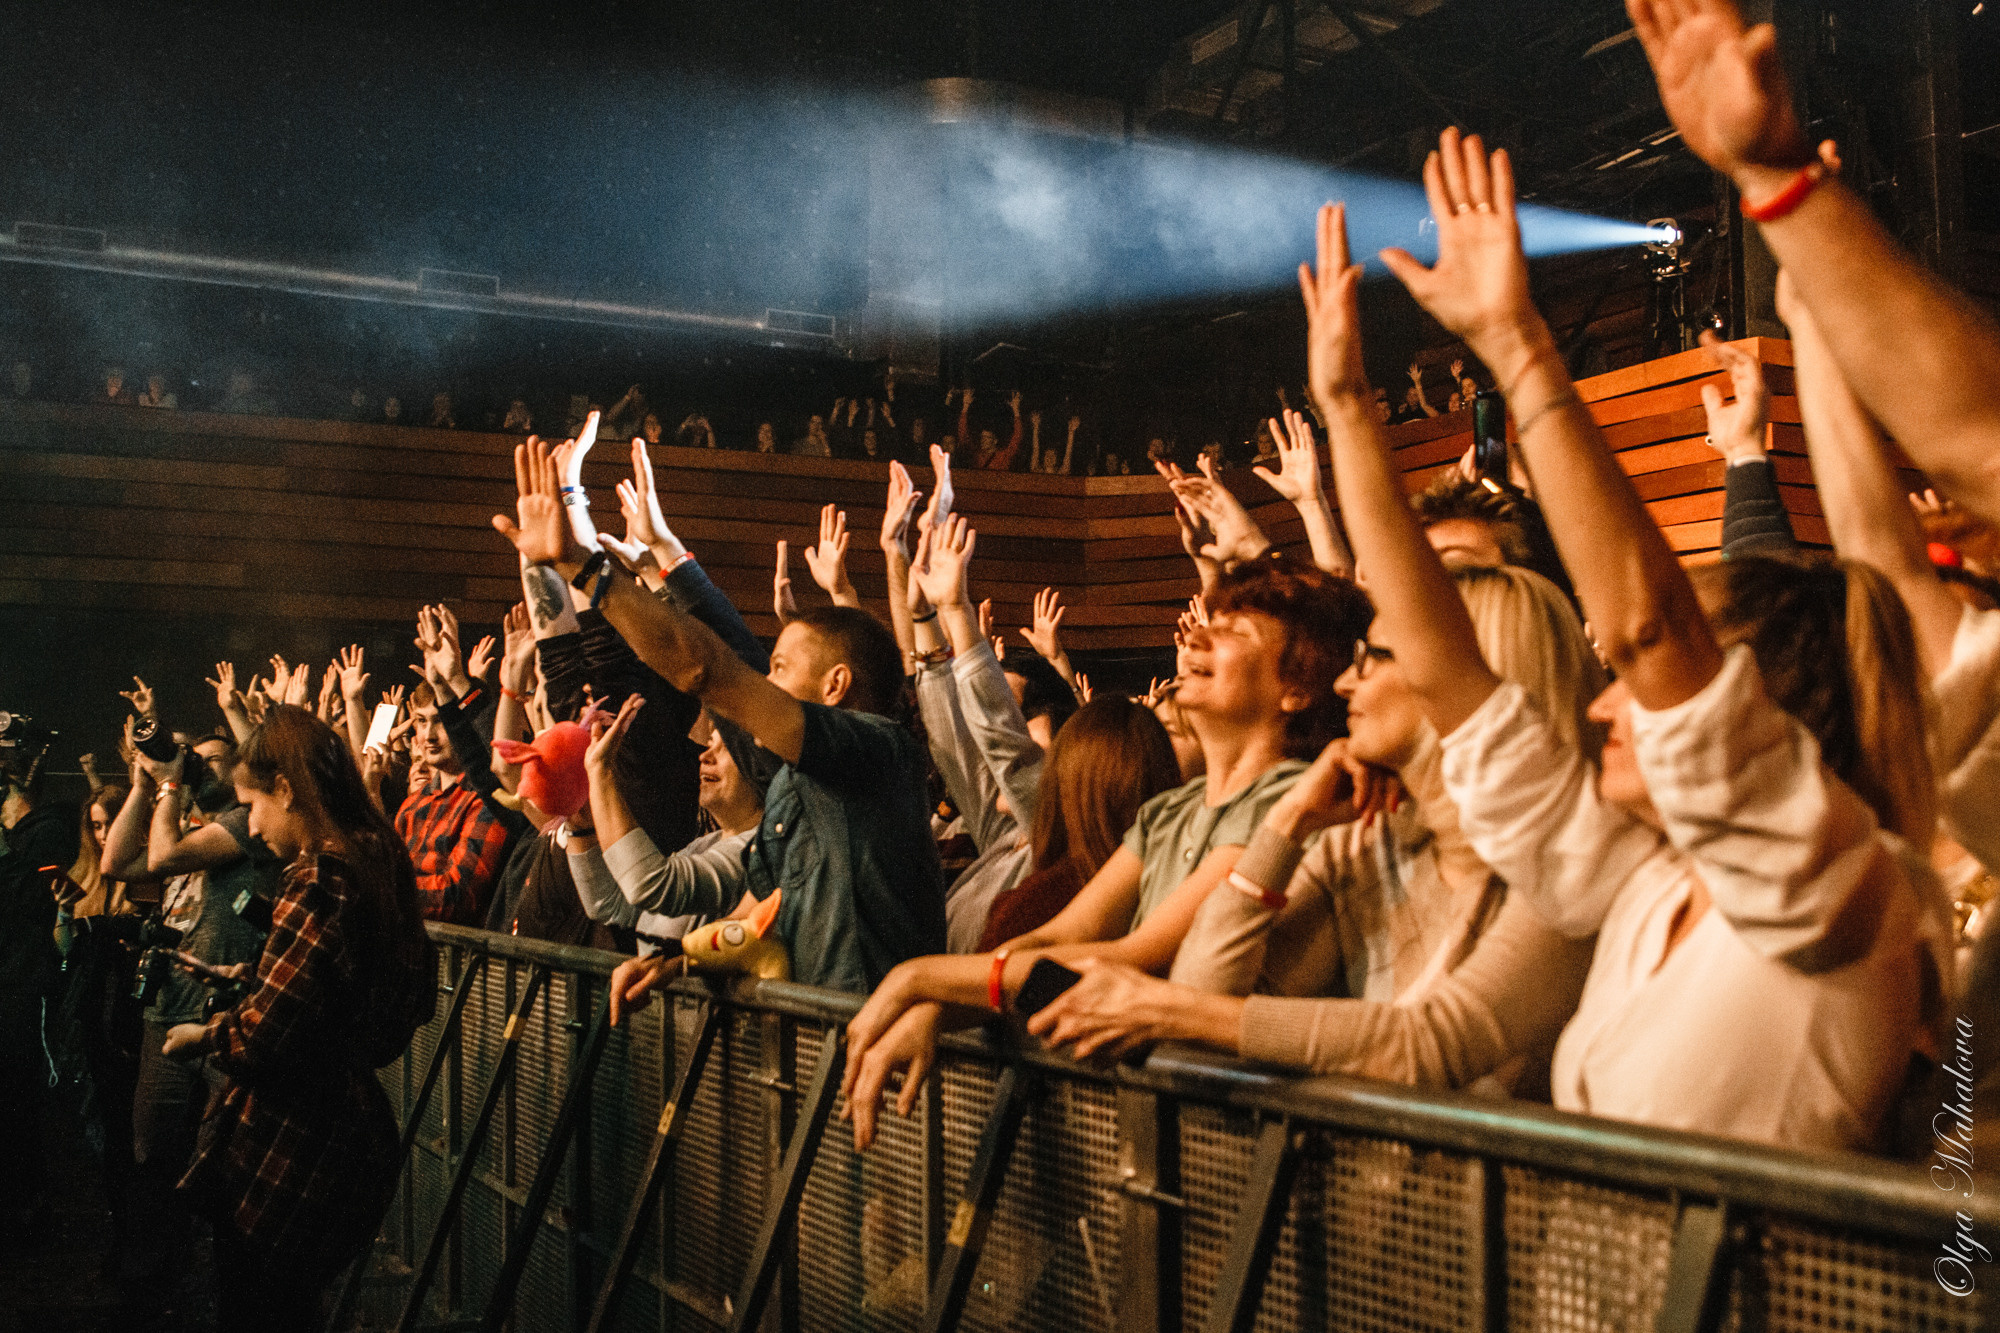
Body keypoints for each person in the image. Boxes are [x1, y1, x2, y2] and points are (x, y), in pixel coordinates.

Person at [1369, 129, 1950, 1150]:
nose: (1601, 699)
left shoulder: (1839, 883)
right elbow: (1458, 686)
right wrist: (1340, 408)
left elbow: (1644, 628)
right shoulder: (1647, 885)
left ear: (1748, 704)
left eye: (1644, 685)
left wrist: (1517, 342)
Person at [840, 551, 1371, 1147]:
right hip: (1165, 1125)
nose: (1197, 633)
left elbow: (1135, 956)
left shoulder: (1295, 801)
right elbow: (1061, 937)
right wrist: (941, 1007)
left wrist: (919, 979)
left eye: (1231, 631)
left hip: (1244, 1130)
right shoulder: (1169, 812)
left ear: (1297, 688)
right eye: (1208, 620)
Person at [491, 428, 946, 997]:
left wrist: (588, 568)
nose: (766, 680)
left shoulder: (878, 750)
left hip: (873, 1044)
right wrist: (682, 962)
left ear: (835, 686)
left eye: (781, 667)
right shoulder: (791, 795)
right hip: (824, 1050)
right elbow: (703, 902)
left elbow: (710, 669)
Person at [162, 706, 435, 1331]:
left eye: (253, 805)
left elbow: (266, 1035)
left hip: (299, 1144)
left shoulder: (321, 872)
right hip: (352, 1134)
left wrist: (203, 1036)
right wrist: (258, 980)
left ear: (286, 788)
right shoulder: (378, 855)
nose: (252, 830)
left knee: (262, 1310)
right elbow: (373, 993)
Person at [0, 754, 75, 1239]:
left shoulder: (47, 833)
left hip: (23, 987)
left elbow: (23, 902)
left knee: (18, 1106)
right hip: (10, 979)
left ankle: (31, 1210)